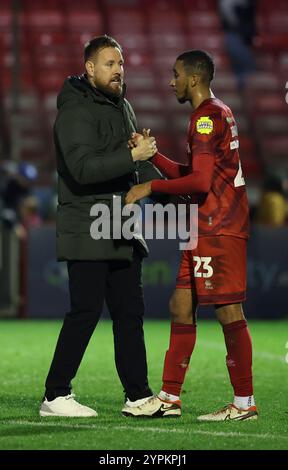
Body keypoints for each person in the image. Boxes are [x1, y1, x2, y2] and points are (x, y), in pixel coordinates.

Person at [123, 50, 258, 421]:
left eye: (176, 75)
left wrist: (149, 187)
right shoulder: (216, 112)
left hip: (218, 226)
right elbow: (196, 172)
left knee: (228, 310)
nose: (171, 82)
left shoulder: (204, 119)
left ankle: (244, 403)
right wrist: (153, 157)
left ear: (194, 79)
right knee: (181, 305)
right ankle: (169, 397)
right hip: (202, 226)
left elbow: (198, 182)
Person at [40, 35, 163, 417]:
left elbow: (130, 163)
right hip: (89, 223)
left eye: (121, 63)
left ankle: (138, 395)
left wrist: (162, 178)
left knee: (130, 311)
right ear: (90, 68)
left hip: (121, 223)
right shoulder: (75, 110)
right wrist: (131, 155)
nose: (118, 70)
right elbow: (82, 169)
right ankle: (55, 395)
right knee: (86, 310)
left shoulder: (122, 105)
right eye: (109, 64)